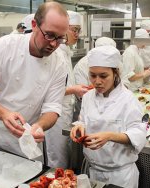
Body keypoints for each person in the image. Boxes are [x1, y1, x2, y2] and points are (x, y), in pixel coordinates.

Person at [0, 2, 69, 160]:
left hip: (29, 139)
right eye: (49, 35)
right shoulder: (3, 48)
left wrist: (39, 126)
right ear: (34, 25)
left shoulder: (59, 62)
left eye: (60, 38)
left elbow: (53, 107)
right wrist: (3, 114)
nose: (53, 44)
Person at [70, 45, 147, 188]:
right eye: (92, 75)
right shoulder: (87, 97)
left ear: (115, 73)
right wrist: (79, 127)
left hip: (120, 176)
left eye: (103, 76)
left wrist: (110, 136)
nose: (97, 81)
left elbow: (139, 134)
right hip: (92, 172)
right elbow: (83, 120)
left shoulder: (128, 99)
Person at [45, 10, 89, 168]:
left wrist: (75, 89)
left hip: (66, 111)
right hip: (55, 114)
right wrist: (74, 89)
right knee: (58, 156)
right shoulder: (55, 53)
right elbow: (47, 90)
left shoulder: (65, 52)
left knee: (66, 152)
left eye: (79, 30)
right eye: (74, 29)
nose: (77, 34)